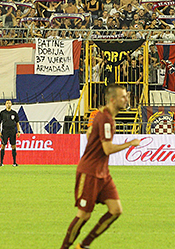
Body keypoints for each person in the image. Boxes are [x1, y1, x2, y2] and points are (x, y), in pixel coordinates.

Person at [60, 84, 141, 249]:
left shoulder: (107, 117)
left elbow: (91, 133)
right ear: (112, 100)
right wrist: (130, 143)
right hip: (89, 172)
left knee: (116, 210)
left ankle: (83, 246)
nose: (127, 99)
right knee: (84, 215)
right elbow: (108, 149)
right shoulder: (105, 118)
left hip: (103, 173)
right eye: (123, 97)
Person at [0, 100, 20, 166]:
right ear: (5, 104)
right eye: (7, 103)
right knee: (3, 145)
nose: (8, 104)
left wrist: (18, 131)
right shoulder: (2, 113)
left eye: (9, 103)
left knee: (13, 146)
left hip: (12, 131)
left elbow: (17, 122)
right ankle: (1, 162)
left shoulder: (14, 113)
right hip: (5, 131)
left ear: (11, 104)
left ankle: (14, 162)